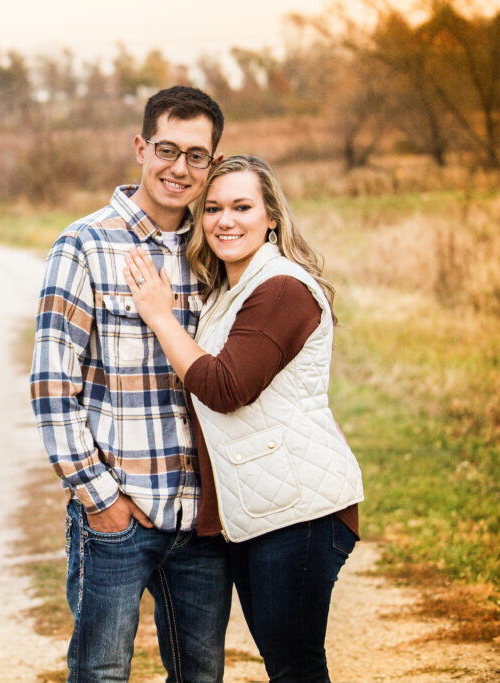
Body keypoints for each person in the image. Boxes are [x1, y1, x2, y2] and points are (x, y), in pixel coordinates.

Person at [122, 154, 364, 683]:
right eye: (212, 209)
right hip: (263, 512)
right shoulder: (230, 293)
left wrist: (160, 317)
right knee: (287, 665)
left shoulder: (281, 289)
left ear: (271, 216)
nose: (225, 221)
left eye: (241, 207)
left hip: (298, 514)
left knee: (296, 667)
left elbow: (225, 388)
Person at [29, 86, 231, 683]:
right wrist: (101, 500)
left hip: (201, 522)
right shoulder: (84, 244)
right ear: (141, 148)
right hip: (118, 513)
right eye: (167, 149)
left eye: (197, 155)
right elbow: (50, 386)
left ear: (213, 164)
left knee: (202, 675)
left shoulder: (215, 249)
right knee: (102, 673)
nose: (179, 168)